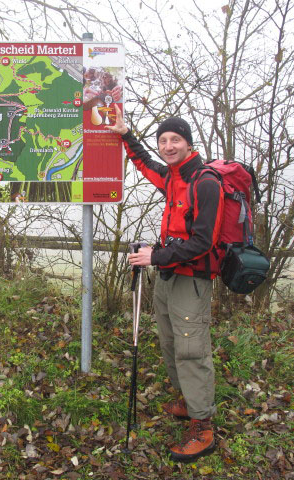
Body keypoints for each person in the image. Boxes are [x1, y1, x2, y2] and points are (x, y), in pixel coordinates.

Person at [107, 105, 224, 461]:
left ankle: (203, 427)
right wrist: (126, 134)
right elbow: (143, 163)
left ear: (189, 144)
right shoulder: (173, 177)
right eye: (164, 140)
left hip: (192, 280)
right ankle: (189, 403)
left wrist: (153, 257)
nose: (168, 145)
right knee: (170, 341)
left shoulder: (205, 183)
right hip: (169, 274)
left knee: (191, 350)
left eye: (176, 139)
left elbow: (204, 241)